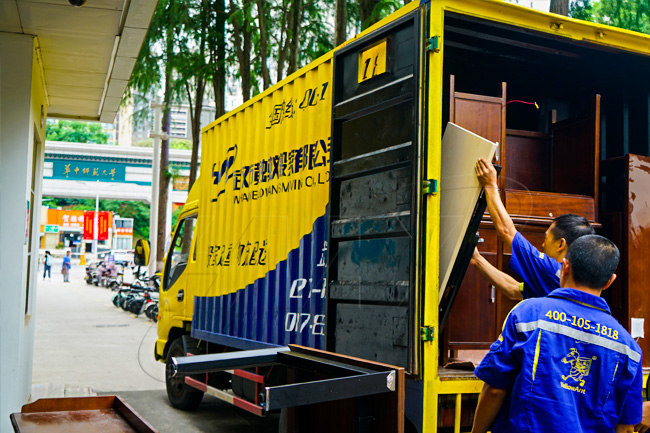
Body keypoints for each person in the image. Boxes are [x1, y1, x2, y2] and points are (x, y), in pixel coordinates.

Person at [471, 235, 642, 433]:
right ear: (609, 281)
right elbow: (626, 428)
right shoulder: (629, 349)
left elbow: (494, 389)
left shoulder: (527, 315)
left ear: (565, 267)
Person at [474, 157, 594, 299]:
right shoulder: (579, 278)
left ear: (561, 244)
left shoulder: (551, 269)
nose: (542, 245)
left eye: (546, 238)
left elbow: (506, 232)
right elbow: (513, 290)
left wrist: (490, 185)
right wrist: (477, 259)